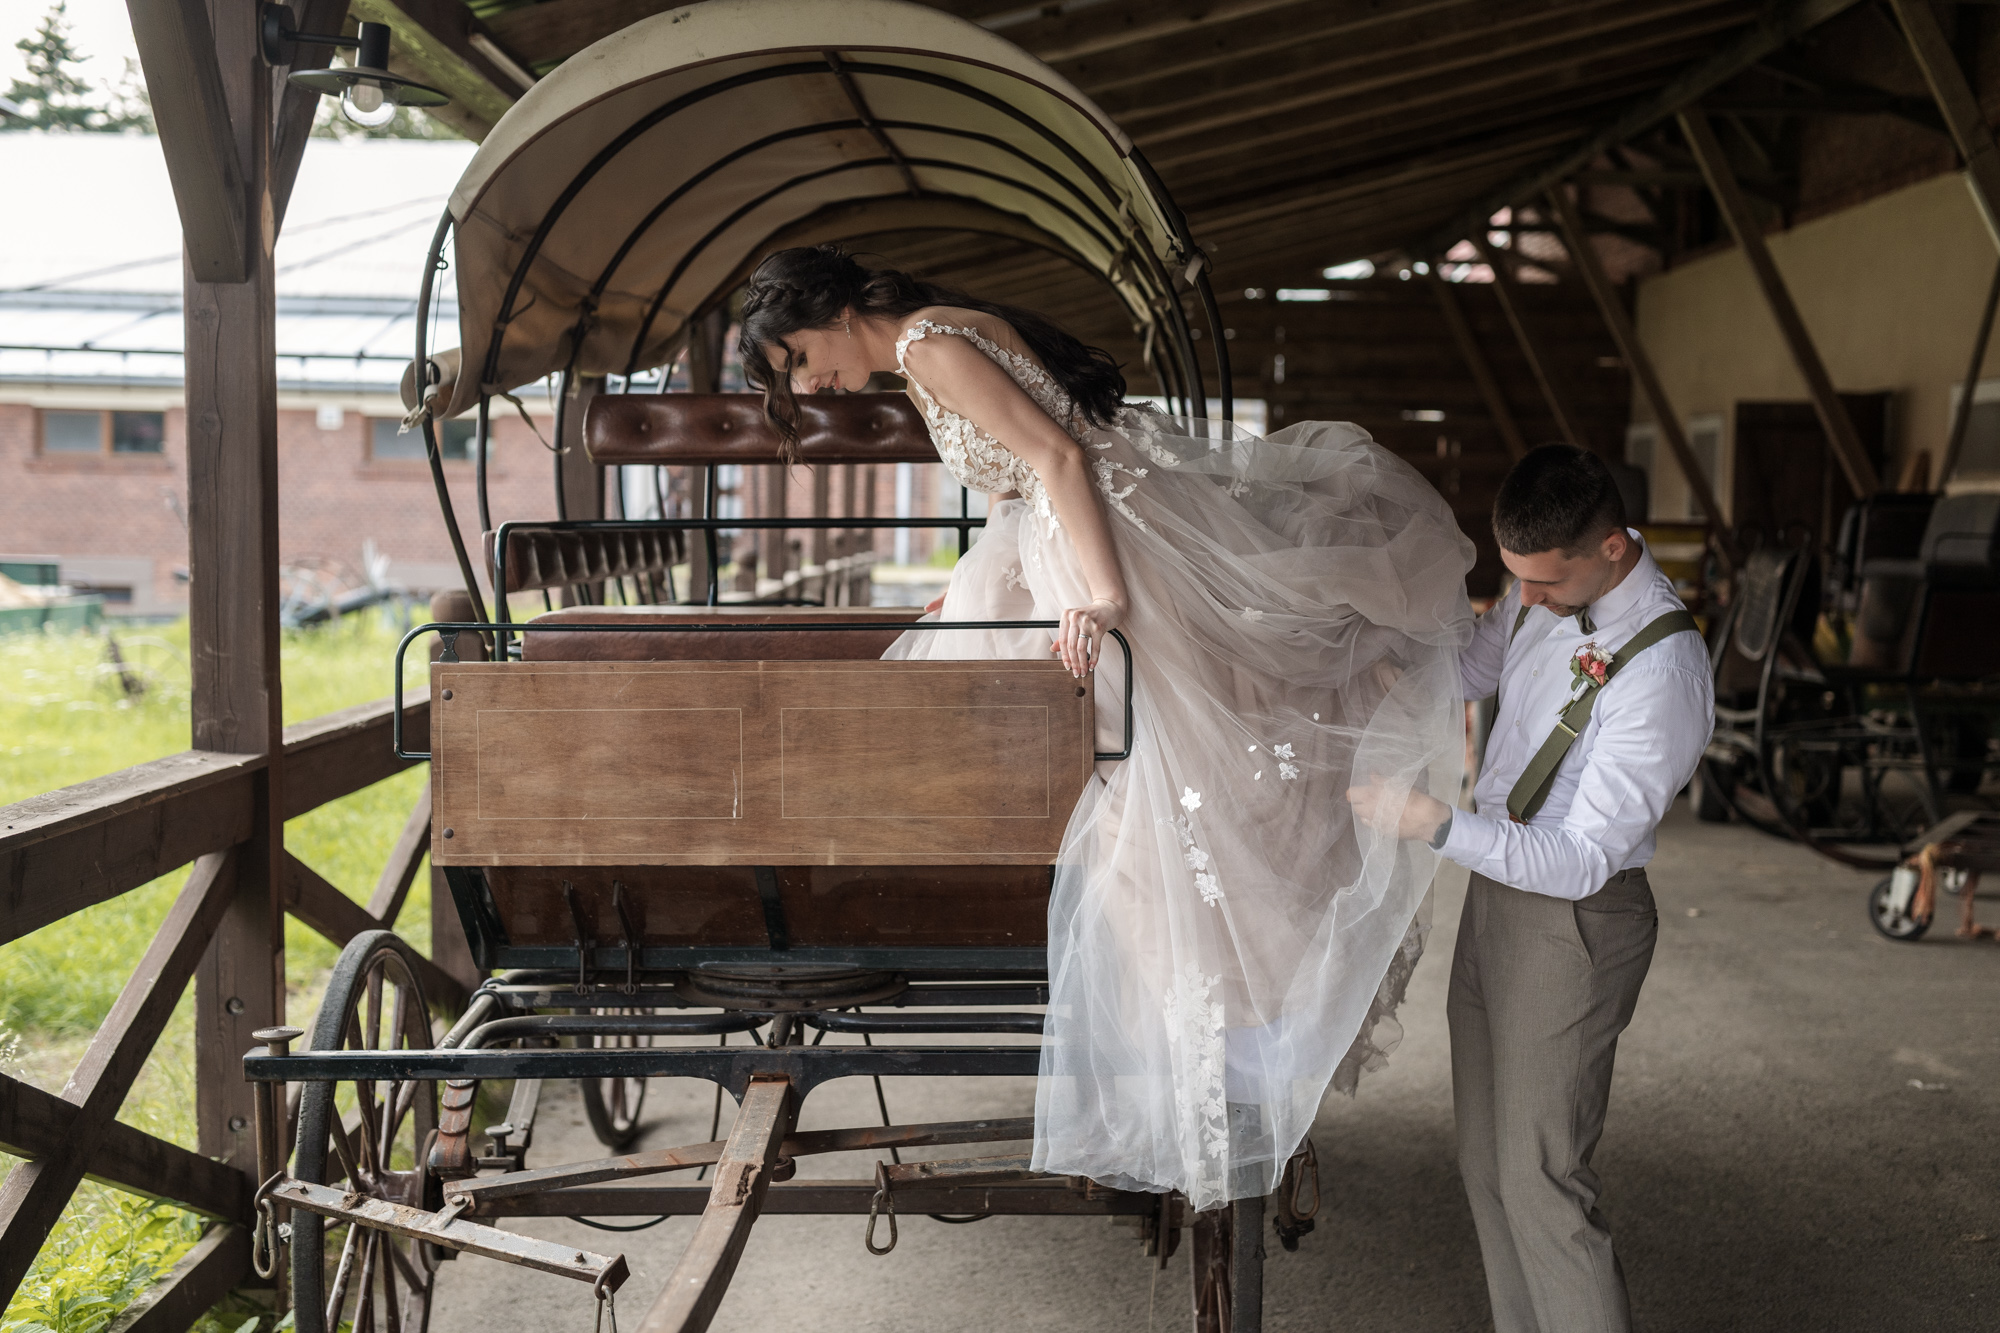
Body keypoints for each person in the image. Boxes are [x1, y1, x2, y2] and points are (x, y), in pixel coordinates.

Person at [738, 245, 1475, 1211]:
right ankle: (1212, 1025)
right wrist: (973, 587)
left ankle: (1225, 1025)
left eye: (798, 358)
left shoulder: (925, 345)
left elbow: (1058, 458)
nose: (808, 384)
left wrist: (1105, 594)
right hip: (1066, 542)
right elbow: (1017, 486)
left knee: (1161, 782)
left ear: (835, 311)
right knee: (1154, 773)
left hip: (1108, 554)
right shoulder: (930, 341)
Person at [1348, 444, 1714, 1333]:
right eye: (1518, 579)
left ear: (1614, 548)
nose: (1527, 599)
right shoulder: (1537, 590)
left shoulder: (1663, 670)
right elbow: (1477, 668)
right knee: (1485, 1165)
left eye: (1545, 582)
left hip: (1576, 920)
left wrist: (1433, 822)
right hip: (1498, 892)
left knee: (1542, 1179)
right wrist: (1385, 666)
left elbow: (1584, 857)